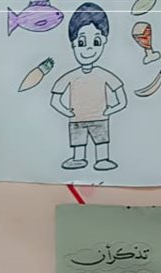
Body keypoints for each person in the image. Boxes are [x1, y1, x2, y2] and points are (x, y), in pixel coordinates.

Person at [50, 3, 128, 171]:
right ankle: (78, 159)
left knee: (101, 142)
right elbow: (54, 99)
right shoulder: (71, 76)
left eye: (96, 42)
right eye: (81, 42)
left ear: (104, 42)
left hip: (100, 117)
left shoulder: (103, 74)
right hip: (76, 119)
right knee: (78, 143)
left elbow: (122, 98)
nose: (89, 48)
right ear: (73, 44)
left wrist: (111, 109)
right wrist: (66, 112)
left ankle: (102, 159)